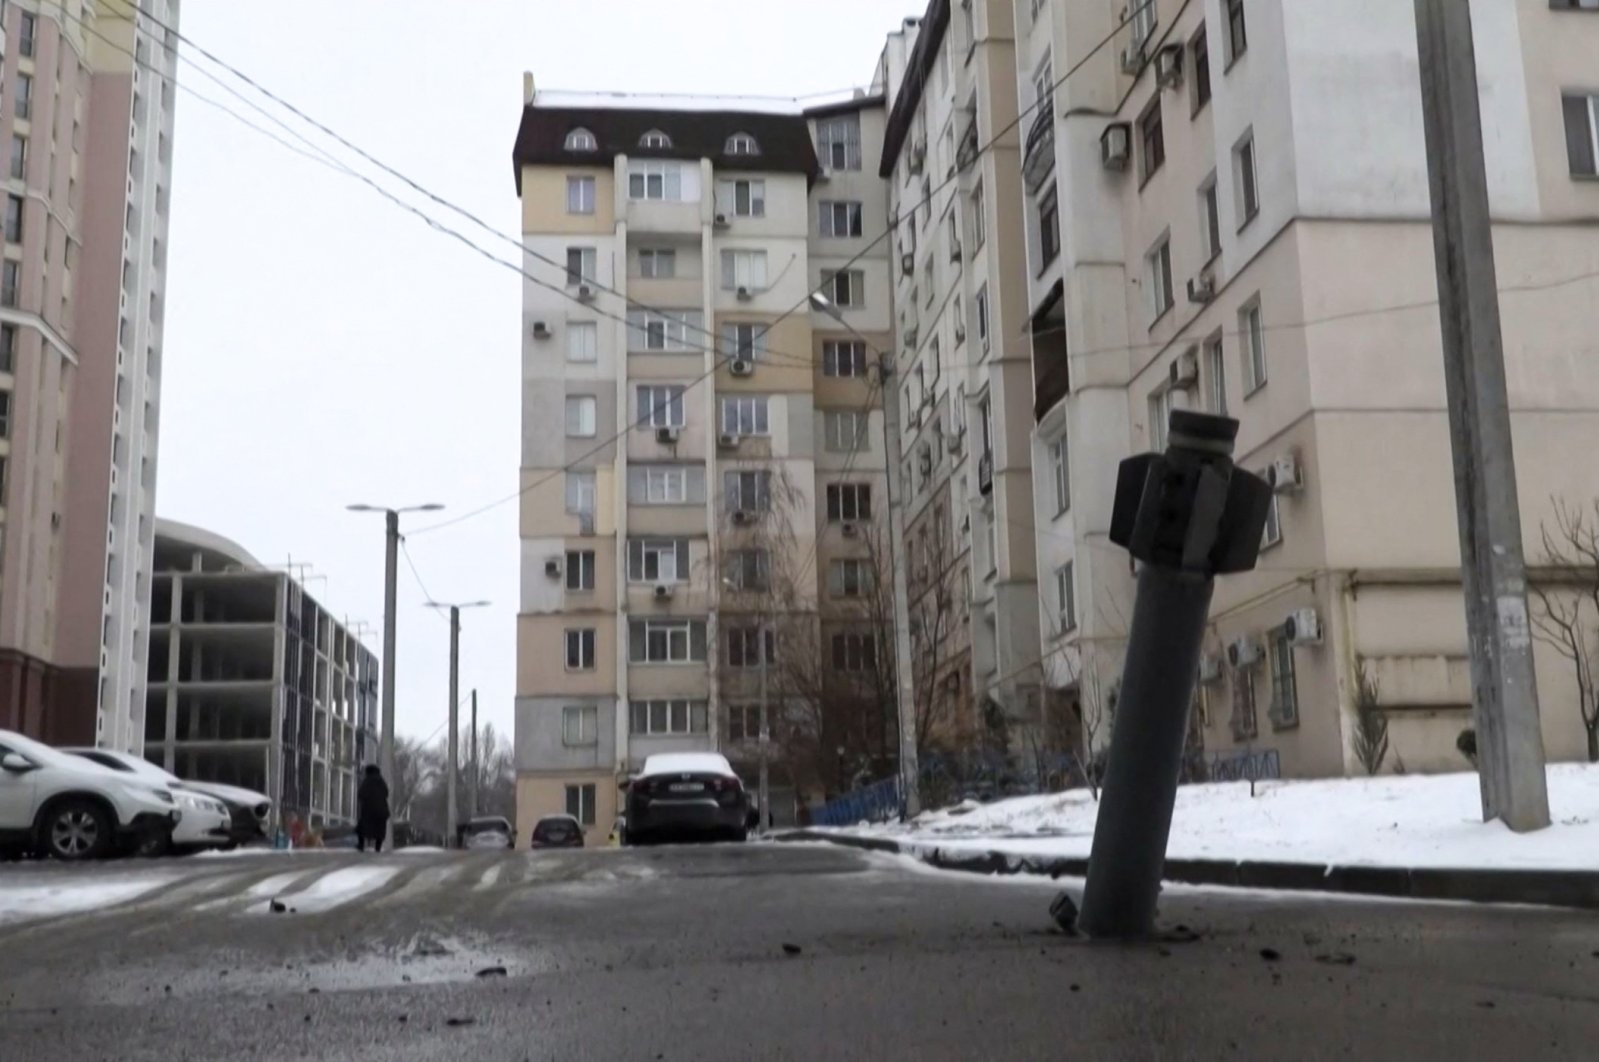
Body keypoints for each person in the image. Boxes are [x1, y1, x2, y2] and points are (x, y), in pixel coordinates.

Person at [356, 764, 391, 853]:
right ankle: (377, 847)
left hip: (369, 810)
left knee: (362, 828)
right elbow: (386, 793)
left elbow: (361, 794)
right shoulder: (381, 781)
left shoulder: (367, 781)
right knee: (380, 829)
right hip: (382, 810)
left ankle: (361, 845)